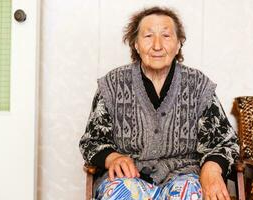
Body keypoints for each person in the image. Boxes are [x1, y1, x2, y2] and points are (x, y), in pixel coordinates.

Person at [79, 6, 239, 200]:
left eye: (166, 36)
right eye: (148, 36)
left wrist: (211, 170)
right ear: (136, 44)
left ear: (179, 43)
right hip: (129, 177)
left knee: (192, 192)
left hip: (184, 175)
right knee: (119, 192)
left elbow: (224, 142)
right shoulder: (112, 84)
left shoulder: (198, 84)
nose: (157, 45)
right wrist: (113, 158)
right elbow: (91, 141)